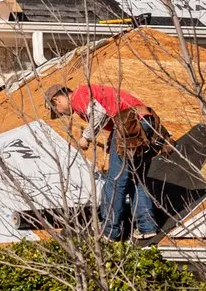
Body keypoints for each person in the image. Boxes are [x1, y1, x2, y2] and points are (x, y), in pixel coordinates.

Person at [44, 83, 175, 241]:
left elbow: (98, 113)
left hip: (128, 124)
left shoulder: (78, 96)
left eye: (57, 110)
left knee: (114, 182)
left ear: (57, 99)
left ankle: (109, 231)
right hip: (142, 122)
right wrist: (113, 141)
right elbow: (110, 112)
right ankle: (147, 227)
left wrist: (86, 137)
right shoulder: (92, 91)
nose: (62, 113)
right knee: (136, 179)